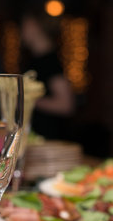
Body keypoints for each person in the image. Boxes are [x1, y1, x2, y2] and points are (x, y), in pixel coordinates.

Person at [21, 12, 75, 141]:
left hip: (48, 141)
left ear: (34, 25)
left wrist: (27, 100)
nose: (21, 30)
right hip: (36, 138)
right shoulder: (34, 59)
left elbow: (66, 105)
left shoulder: (50, 61)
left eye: (24, 25)